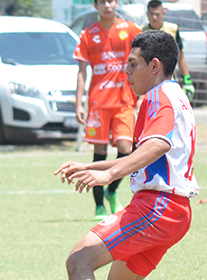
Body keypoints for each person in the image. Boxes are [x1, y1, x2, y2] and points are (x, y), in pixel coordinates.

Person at [36, 30, 207, 280]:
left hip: (158, 206)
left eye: (132, 64)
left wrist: (111, 172)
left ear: (155, 65)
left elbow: (158, 145)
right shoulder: (171, 95)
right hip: (171, 209)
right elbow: (140, 155)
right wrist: (92, 167)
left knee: (79, 260)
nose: (125, 73)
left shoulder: (158, 95)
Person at [73, 0, 141, 221]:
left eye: (111, 0)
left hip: (124, 100)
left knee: (127, 148)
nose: (107, 5)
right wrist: (78, 103)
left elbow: (143, 60)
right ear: (95, 5)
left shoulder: (130, 29)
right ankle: (99, 205)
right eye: (102, 1)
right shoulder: (87, 34)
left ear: (117, 3)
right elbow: (82, 72)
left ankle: (112, 191)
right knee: (99, 153)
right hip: (98, 103)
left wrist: (141, 90)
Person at [142, 0, 195, 101]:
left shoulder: (173, 29)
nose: (154, 17)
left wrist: (187, 80)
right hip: (148, 84)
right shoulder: (141, 31)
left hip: (169, 83)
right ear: (147, 14)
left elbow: (181, 56)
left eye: (157, 14)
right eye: (151, 14)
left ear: (163, 13)